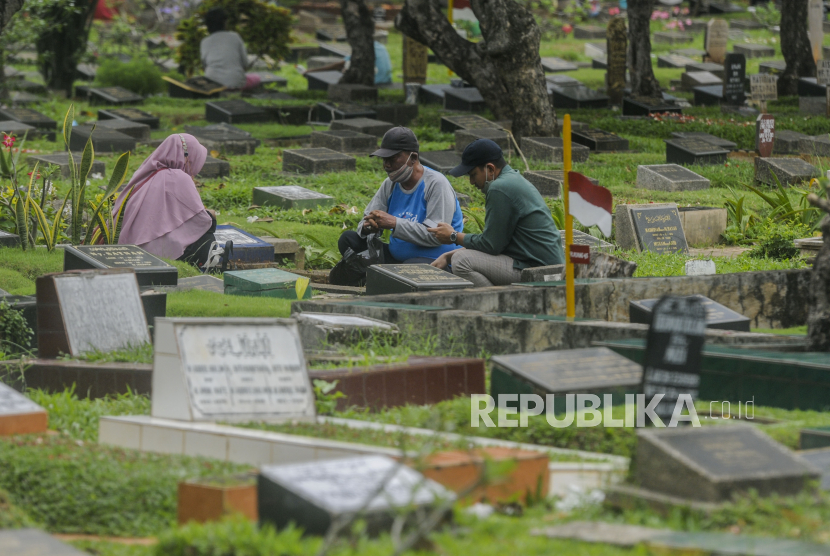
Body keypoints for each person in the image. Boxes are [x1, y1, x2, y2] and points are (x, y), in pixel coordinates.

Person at [428, 139, 565, 287]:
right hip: (542, 266)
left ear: (490, 169)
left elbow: (490, 245)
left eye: (473, 174)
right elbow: (496, 241)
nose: (471, 182)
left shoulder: (499, 188)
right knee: (458, 257)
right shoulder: (512, 179)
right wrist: (448, 255)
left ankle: (501, 304)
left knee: (462, 261)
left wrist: (453, 236)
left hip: (541, 272)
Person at [336, 126, 464, 270]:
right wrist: (368, 227)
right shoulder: (390, 184)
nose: (387, 165)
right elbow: (366, 219)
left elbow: (436, 236)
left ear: (413, 158)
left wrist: (394, 223)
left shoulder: (436, 184)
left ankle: (381, 276)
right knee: (348, 239)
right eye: (384, 159)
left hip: (434, 260)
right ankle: (384, 276)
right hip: (395, 258)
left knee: (412, 267)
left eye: (392, 158)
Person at [113, 134, 225, 271]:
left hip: (126, 249)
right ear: (187, 157)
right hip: (155, 251)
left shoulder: (146, 174)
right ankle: (209, 268)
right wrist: (211, 214)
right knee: (207, 231)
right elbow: (200, 220)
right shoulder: (179, 178)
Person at [200, 7, 261, 91]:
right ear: (224, 22)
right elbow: (245, 63)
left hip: (212, 84)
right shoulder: (235, 37)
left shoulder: (204, 42)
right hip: (235, 83)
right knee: (256, 78)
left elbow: (204, 65)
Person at [303, 40, 393, 85]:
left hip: (375, 81)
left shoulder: (363, 48)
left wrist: (311, 71)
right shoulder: (380, 46)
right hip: (386, 80)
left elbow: (338, 65)